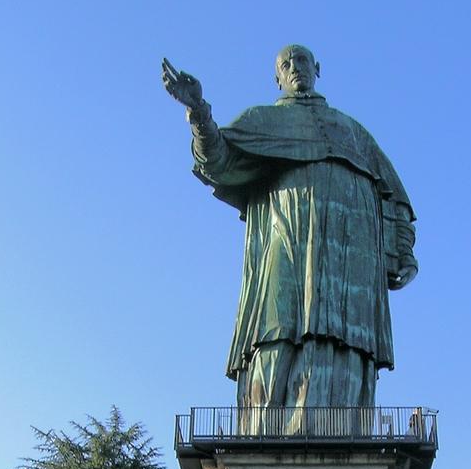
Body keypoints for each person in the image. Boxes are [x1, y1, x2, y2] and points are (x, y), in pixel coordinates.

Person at [163, 44, 417, 411]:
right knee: (277, 325)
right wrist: (199, 112)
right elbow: (217, 159)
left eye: (301, 60)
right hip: (286, 241)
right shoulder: (262, 121)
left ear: (317, 67)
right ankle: (270, 423)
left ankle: (340, 421)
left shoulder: (354, 133)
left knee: (343, 336)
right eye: (285, 64)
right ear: (277, 77)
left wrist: (402, 248)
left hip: (350, 262)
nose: (294, 67)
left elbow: (393, 196)